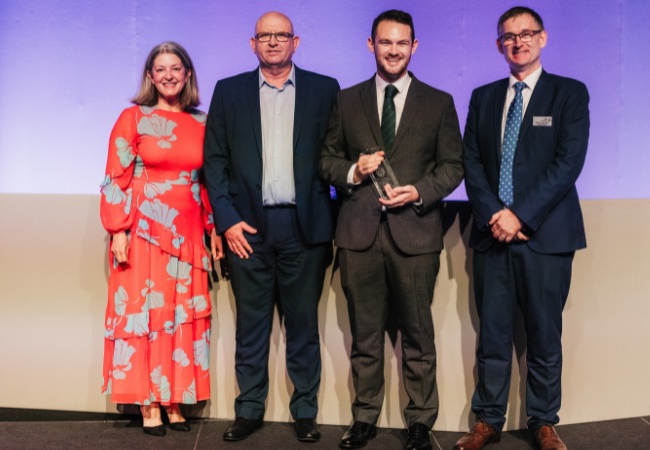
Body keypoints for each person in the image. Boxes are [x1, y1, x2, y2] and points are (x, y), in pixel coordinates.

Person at [318, 10, 463, 450]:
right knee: (365, 335)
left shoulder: (439, 102)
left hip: (415, 234)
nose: (394, 50)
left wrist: (418, 190)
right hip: (358, 236)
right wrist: (353, 171)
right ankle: (364, 418)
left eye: (402, 43)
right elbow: (325, 161)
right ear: (371, 45)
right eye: (386, 43)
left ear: (414, 47)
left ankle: (420, 422)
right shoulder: (346, 100)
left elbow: (453, 166)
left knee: (418, 334)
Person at [454, 6, 590, 450]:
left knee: (544, 336)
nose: (519, 41)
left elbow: (567, 164)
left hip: (546, 238)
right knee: (492, 334)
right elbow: (471, 163)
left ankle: (544, 422)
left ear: (543, 38)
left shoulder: (568, 94)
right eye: (509, 36)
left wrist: (521, 215)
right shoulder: (484, 96)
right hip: (493, 235)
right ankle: (488, 421)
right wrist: (497, 213)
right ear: (499, 44)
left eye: (527, 33)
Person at [202, 11, 340, 443]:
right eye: (266, 36)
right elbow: (214, 163)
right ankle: (248, 410)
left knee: (303, 327)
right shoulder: (228, 92)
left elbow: (336, 154)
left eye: (282, 36)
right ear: (253, 43)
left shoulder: (325, 89)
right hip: (248, 230)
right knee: (252, 325)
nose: (274, 42)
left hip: (306, 229)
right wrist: (227, 222)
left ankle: (305, 412)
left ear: (296, 42)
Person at [99, 41, 223, 437]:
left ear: (187, 74)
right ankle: (148, 403)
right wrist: (118, 230)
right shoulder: (132, 118)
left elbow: (206, 183)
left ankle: (174, 401)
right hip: (143, 232)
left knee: (179, 317)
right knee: (147, 317)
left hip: (187, 236)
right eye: (160, 69)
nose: (169, 75)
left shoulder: (203, 122)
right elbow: (115, 176)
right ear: (150, 76)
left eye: (176, 68)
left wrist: (213, 227)